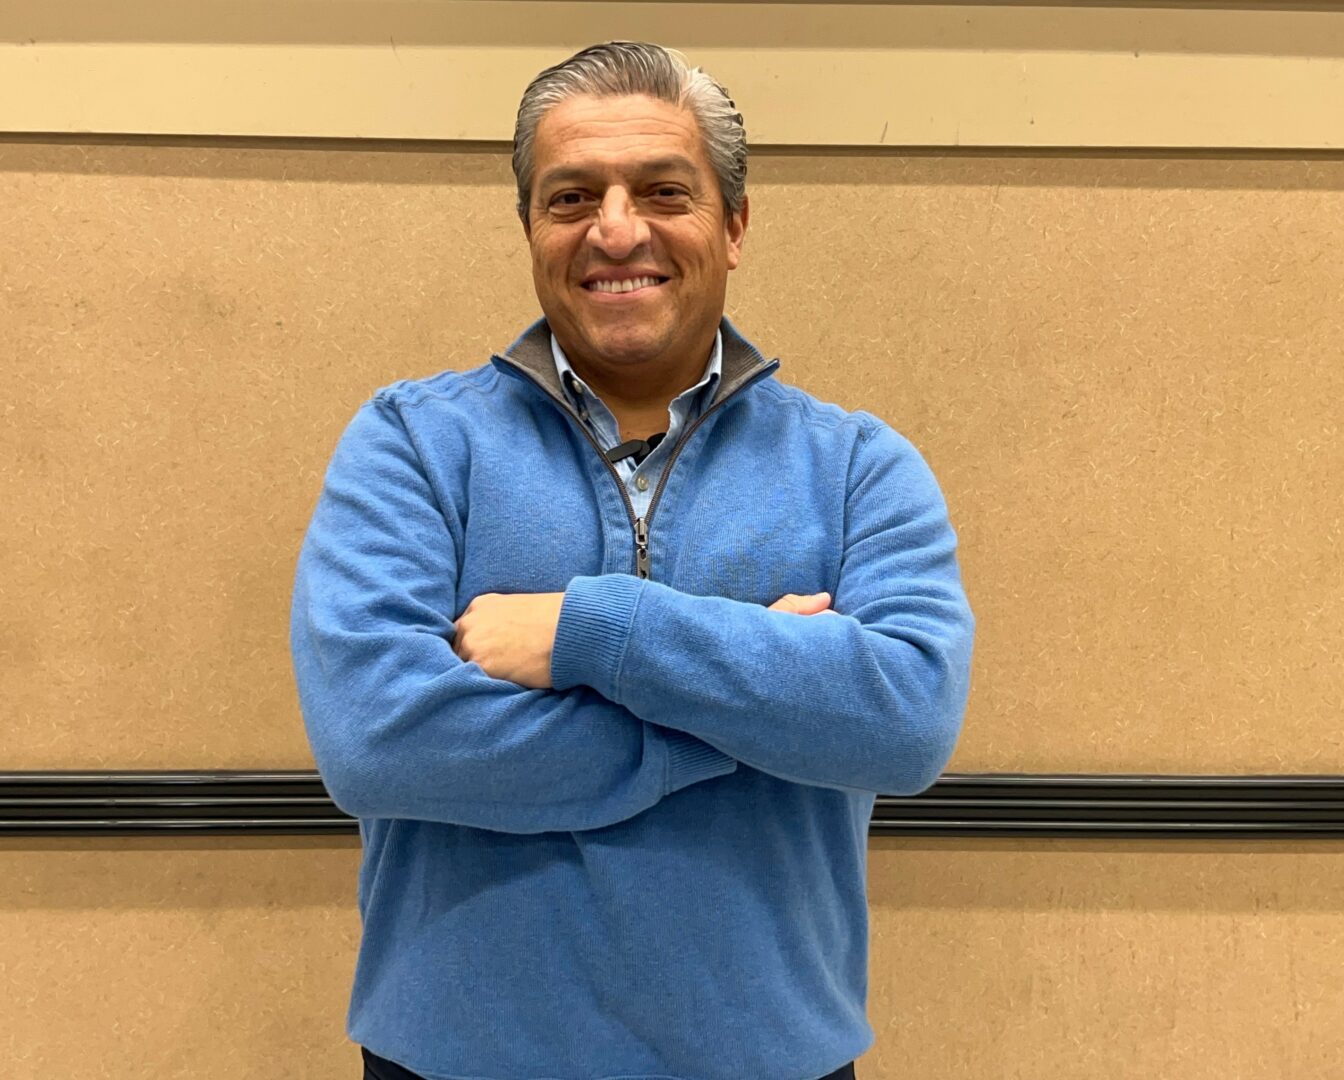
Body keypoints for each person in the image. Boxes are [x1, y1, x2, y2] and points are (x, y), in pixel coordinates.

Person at [290, 41, 974, 1080]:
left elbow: (905, 721)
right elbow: (377, 742)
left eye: (664, 191)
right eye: (572, 197)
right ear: (530, 227)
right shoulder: (412, 445)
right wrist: (751, 710)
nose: (616, 230)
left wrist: (592, 632)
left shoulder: (856, 468)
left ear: (733, 225)